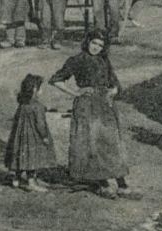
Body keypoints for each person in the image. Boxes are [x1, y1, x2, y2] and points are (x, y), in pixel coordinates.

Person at [48, 32, 129, 196]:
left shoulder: (104, 60)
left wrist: (112, 91)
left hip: (105, 105)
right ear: (87, 42)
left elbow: (115, 83)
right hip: (86, 106)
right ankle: (102, 182)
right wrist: (75, 93)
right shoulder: (77, 60)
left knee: (111, 141)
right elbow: (56, 80)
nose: (96, 48)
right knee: (92, 143)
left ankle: (121, 182)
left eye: (100, 45)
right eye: (94, 43)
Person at [3, 74, 58, 191]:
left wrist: (46, 108)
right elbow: (40, 124)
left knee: (20, 156)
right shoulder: (37, 106)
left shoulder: (23, 104)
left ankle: (16, 179)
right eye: (40, 88)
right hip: (33, 137)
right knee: (33, 158)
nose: (41, 91)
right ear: (34, 90)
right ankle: (31, 183)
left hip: (20, 137)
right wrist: (44, 137)